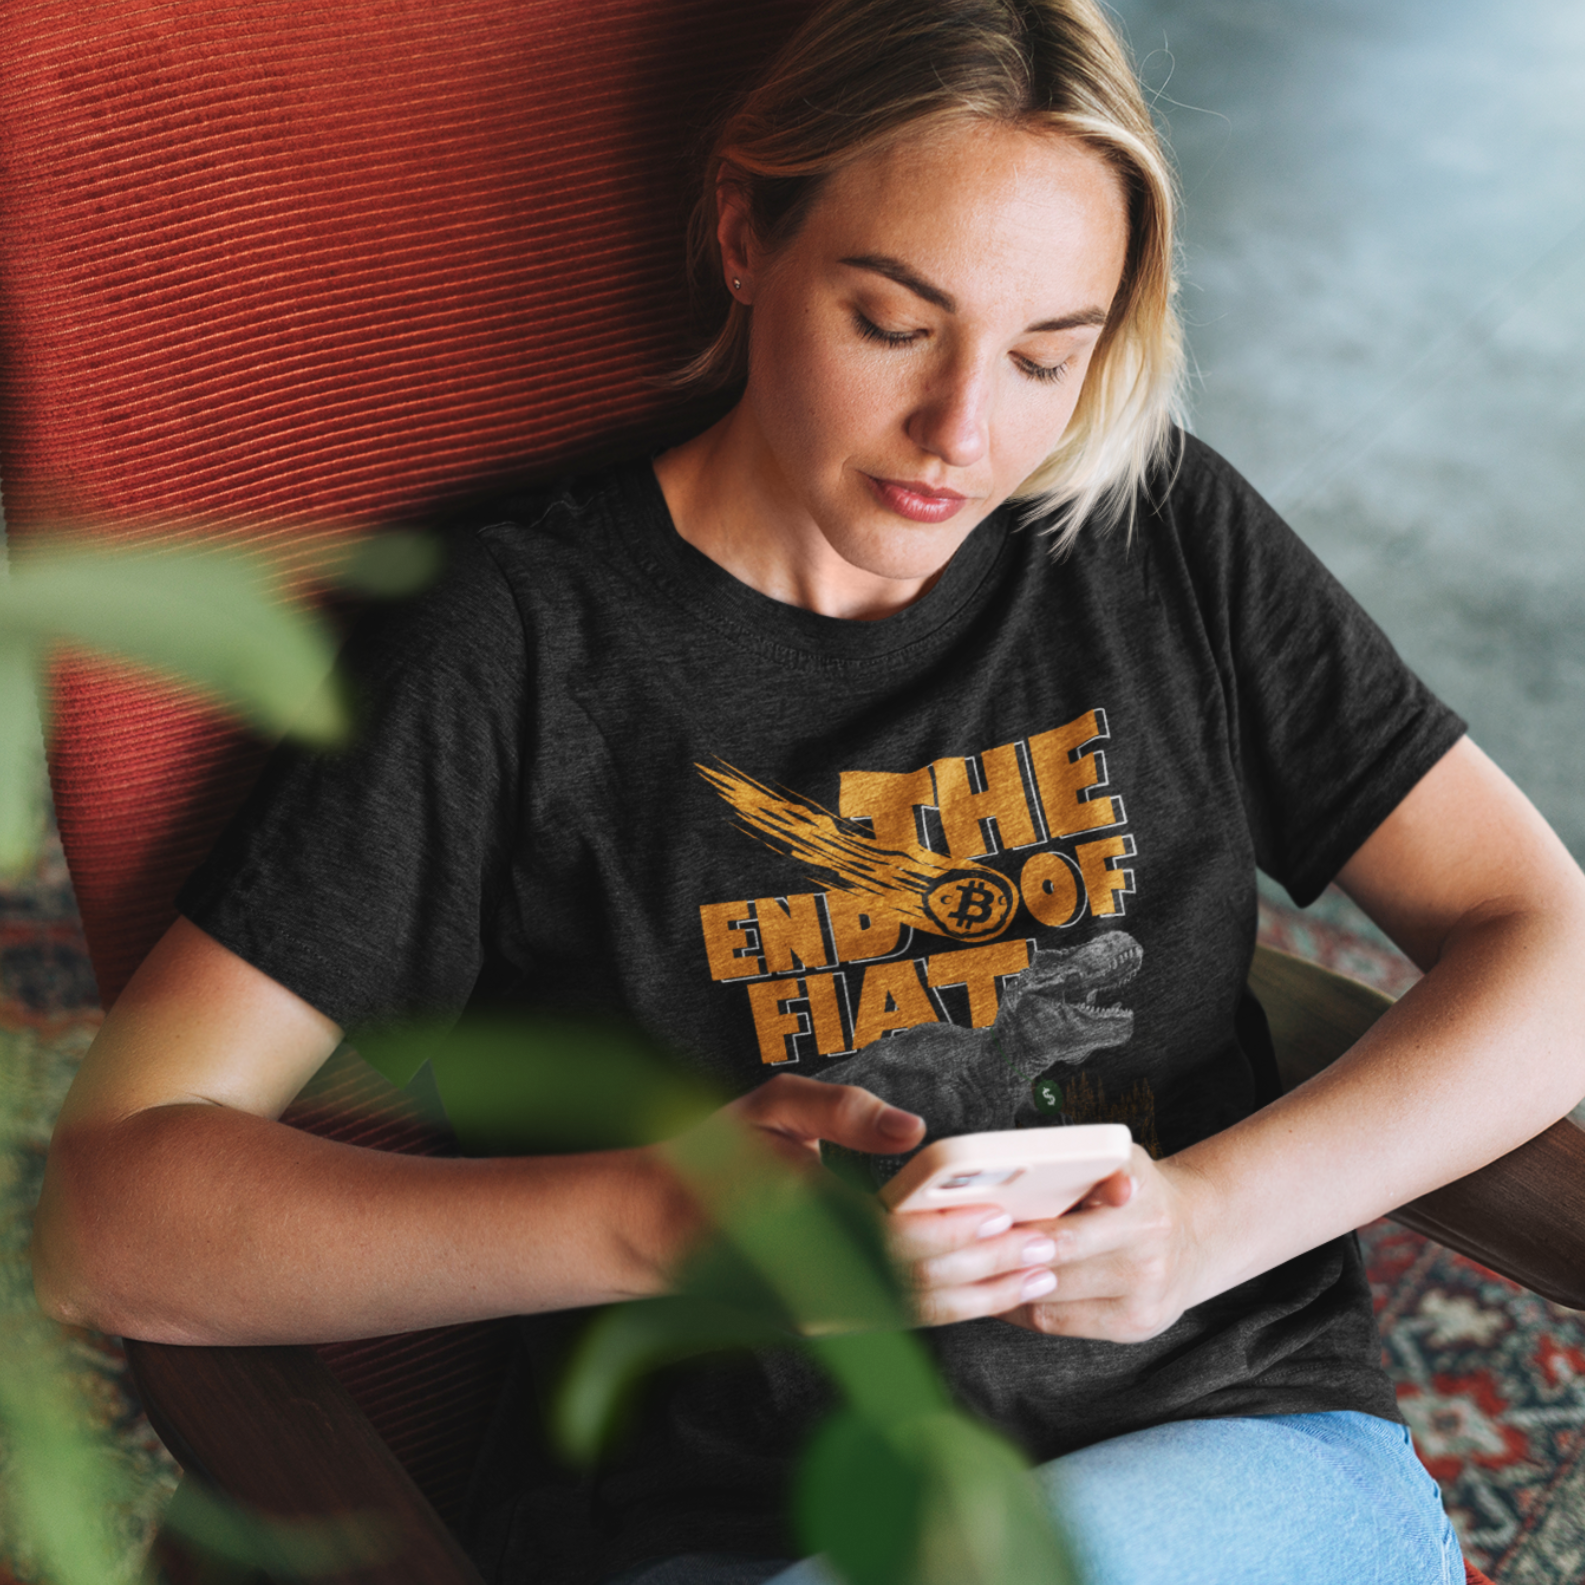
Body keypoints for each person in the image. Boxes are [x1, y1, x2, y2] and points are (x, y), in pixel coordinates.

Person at [32, 1, 1585, 1582]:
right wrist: (661, 1221)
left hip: (1220, 1452)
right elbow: (119, 1215)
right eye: (894, 324)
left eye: (1047, 356)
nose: (964, 435)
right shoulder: (526, 648)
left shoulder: (1153, 532)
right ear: (743, 236)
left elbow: (1550, 938)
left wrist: (1205, 1227)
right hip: (744, 1525)